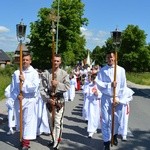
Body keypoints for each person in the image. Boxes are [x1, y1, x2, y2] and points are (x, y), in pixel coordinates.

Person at [95, 51, 127, 150]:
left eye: (112, 57)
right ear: (106, 59)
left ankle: (114, 134)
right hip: (106, 97)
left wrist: (119, 98)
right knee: (105, 120)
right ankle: (106, 142)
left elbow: (123, 85)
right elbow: (99, 84)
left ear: (115, 58)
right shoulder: (102, 70)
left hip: (117, 97)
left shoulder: (121, 70)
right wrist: (109, 85)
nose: (110, 59)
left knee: (117, 120)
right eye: (108, 57)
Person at [40, 54, 70, 150]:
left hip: (59, 100)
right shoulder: (46, 74)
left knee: (57, 121)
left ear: (60, 62)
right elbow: (41, 88)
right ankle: (53, 138)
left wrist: (58, 84)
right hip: (49, 99)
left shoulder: (64, 74)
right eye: (54, 60)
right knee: (51, 121)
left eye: (58, 61)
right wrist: (47, 98)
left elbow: (67, 86)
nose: (56, 62)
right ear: (51, 61)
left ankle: (57, 141)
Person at [10, 52, 40, 150]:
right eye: (23, 60)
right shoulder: (16, 73)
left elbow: (34, 87)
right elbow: (14, 87)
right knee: (20, 120)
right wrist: (17, 95)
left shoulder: (34, 73)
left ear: (30, 61)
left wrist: (24, 80)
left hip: (29, 99)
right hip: (20, 100)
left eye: (27, 60)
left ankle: (26, 143)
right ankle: (22, 138)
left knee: (28, 120)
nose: (25, 61)